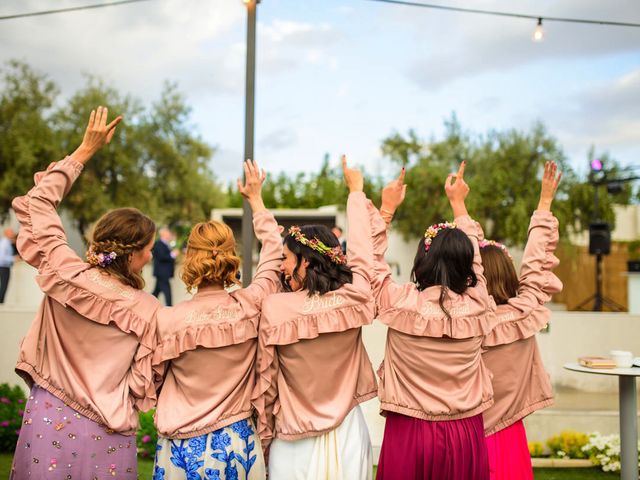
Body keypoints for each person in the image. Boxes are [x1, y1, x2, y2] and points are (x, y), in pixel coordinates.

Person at [10, 106, 160, 479]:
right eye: (149, 247)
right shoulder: (146, 309)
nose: (152, 254)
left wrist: (84, 151)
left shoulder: (64, 270)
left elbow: (38, 203)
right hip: (107, 426)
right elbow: (143, 381)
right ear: (134, 253)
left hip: (49, 414)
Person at [151, 160, 280, 480]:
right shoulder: (251, 304)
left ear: (190, 258)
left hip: (180, 451)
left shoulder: (168, 319)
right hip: (238, 445)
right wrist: (256, 200)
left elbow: (151, 384)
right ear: (230, 256)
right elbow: (274, 251)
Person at [371, 162, 498, 480]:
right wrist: (459, 205)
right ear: (466, 265)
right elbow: (478, 261)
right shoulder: (478, 303)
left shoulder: (399, 301)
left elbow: (370, 263)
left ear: (421, 260)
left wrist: (387, 209)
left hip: (409, 432)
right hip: (465, 431)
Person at [254, 157, 376, 479]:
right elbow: (363, 253)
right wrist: (356, 192)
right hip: (348, 435)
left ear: (305, 262)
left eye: (286, 258)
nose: (281, 266)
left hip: (293, 444)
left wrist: (257, 203)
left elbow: (266, 384)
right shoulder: (355, 298)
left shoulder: (275, 309)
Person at [481, 161, 563, 480]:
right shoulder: (524, 310)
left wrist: (459, 206)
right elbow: (535, 262)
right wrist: (544, 203)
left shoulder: (464, 323)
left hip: (468, 430)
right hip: (510, 431)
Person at [152, 227, 177, 306]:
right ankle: (170, 308)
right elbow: (161, 256)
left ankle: (146, 304)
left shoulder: (166, 244)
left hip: (163, 273)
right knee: (167, 291)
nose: (169, 235)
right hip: (162, 273)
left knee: (156, 292)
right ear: (164, 234)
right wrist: (172, 255)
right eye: (168, 233)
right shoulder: (159, 244)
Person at [0, 227, 16, 303]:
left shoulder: (8, 242)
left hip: (5, 266)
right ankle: (1, 300)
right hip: (3, 267)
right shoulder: (4, 243)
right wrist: (14, 258)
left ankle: (1, 300)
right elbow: (2, 258)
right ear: (6, 234)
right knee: (3, 284)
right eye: (11, 232)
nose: (13, 234)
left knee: (4, 284)